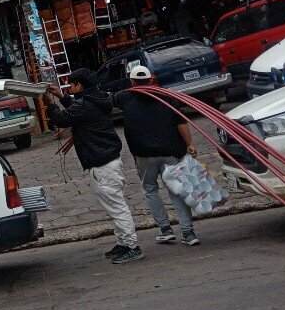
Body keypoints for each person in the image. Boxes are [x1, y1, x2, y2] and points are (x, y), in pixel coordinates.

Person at [45, 68, 144, 264]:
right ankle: (124, 242)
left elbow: (63, 119)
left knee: (116, 207)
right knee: (114, 205)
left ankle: (132, 245)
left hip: (102, 163)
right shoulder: (96, 99)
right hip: (107, 160)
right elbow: (76, 108)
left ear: (79, 86)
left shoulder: (86, 104)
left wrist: (51, 104)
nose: (70, 88)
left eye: (72, 85)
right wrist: (61, 97)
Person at [113, 65, 200, 246]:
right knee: (176, 191)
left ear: (132, 81)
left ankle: (165, 229)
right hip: (171, 151)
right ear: (151, 79)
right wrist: (190, 143)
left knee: (150, 189)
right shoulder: (167, 97)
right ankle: (188, 233)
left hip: (144, 155)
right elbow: (181, 122)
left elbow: (109, 99)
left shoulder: (125, 97)